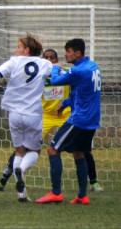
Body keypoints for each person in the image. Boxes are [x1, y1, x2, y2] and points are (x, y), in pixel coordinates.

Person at [0, 49, 104, 193]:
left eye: (52, 58)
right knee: (24, 147)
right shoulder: (41, 73)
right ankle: (2, 180)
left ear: (56, 59)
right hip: (46, 115)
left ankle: (94, 182)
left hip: (66, 114)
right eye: (46, 57)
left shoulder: (65, 73)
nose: (49, 60)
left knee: (81, 149)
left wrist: (67, 102)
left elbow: (77, 88)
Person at [0, 34, 53, 202]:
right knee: (35, 151)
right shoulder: (46, 64)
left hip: (14, 113)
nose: (16, 50)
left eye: (18, 47)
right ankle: (21, 171)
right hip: (33, 114)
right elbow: (57, 75)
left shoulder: (14, 62)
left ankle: (21, 193)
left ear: (26, 50)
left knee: (19, 150)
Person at [36, 38, 102, 205]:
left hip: (79, 120)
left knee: (52, 150)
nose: (65, 54)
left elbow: (56, 81)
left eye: (68, 51)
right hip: (92, 120)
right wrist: (65, 103)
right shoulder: (93, 67)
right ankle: (82, 195)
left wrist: (56, 68)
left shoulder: (78, 70)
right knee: (79, 153)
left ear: (77, 53)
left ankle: (56, 193)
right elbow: (81, 91)